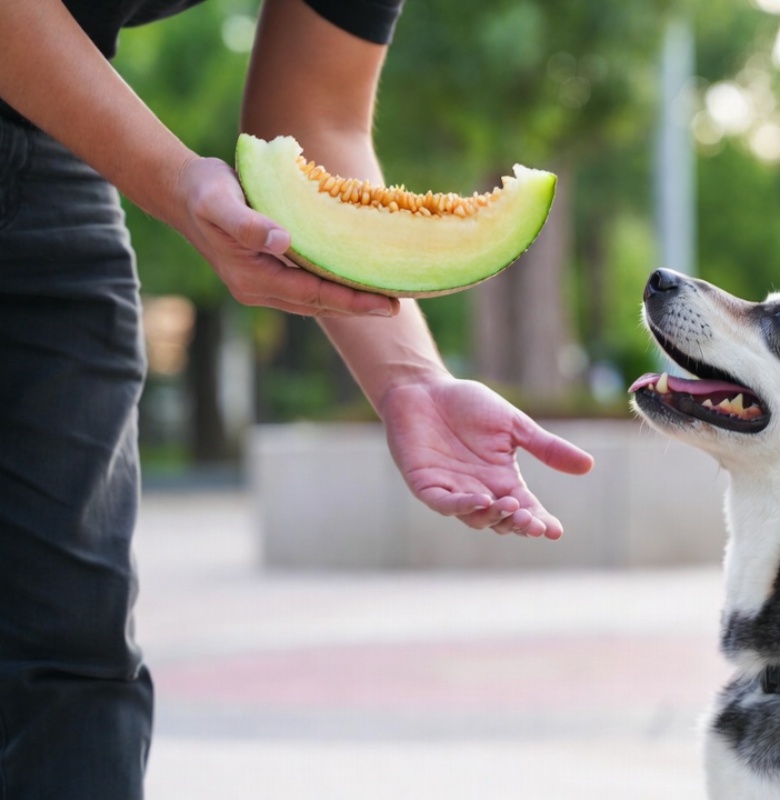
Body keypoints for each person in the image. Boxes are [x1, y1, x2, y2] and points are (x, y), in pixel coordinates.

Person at [0, 0, 595, 796]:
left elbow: (316, 114)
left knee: (72, 658)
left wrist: (410, 378)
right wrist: (176, 184)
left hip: (47, 131)